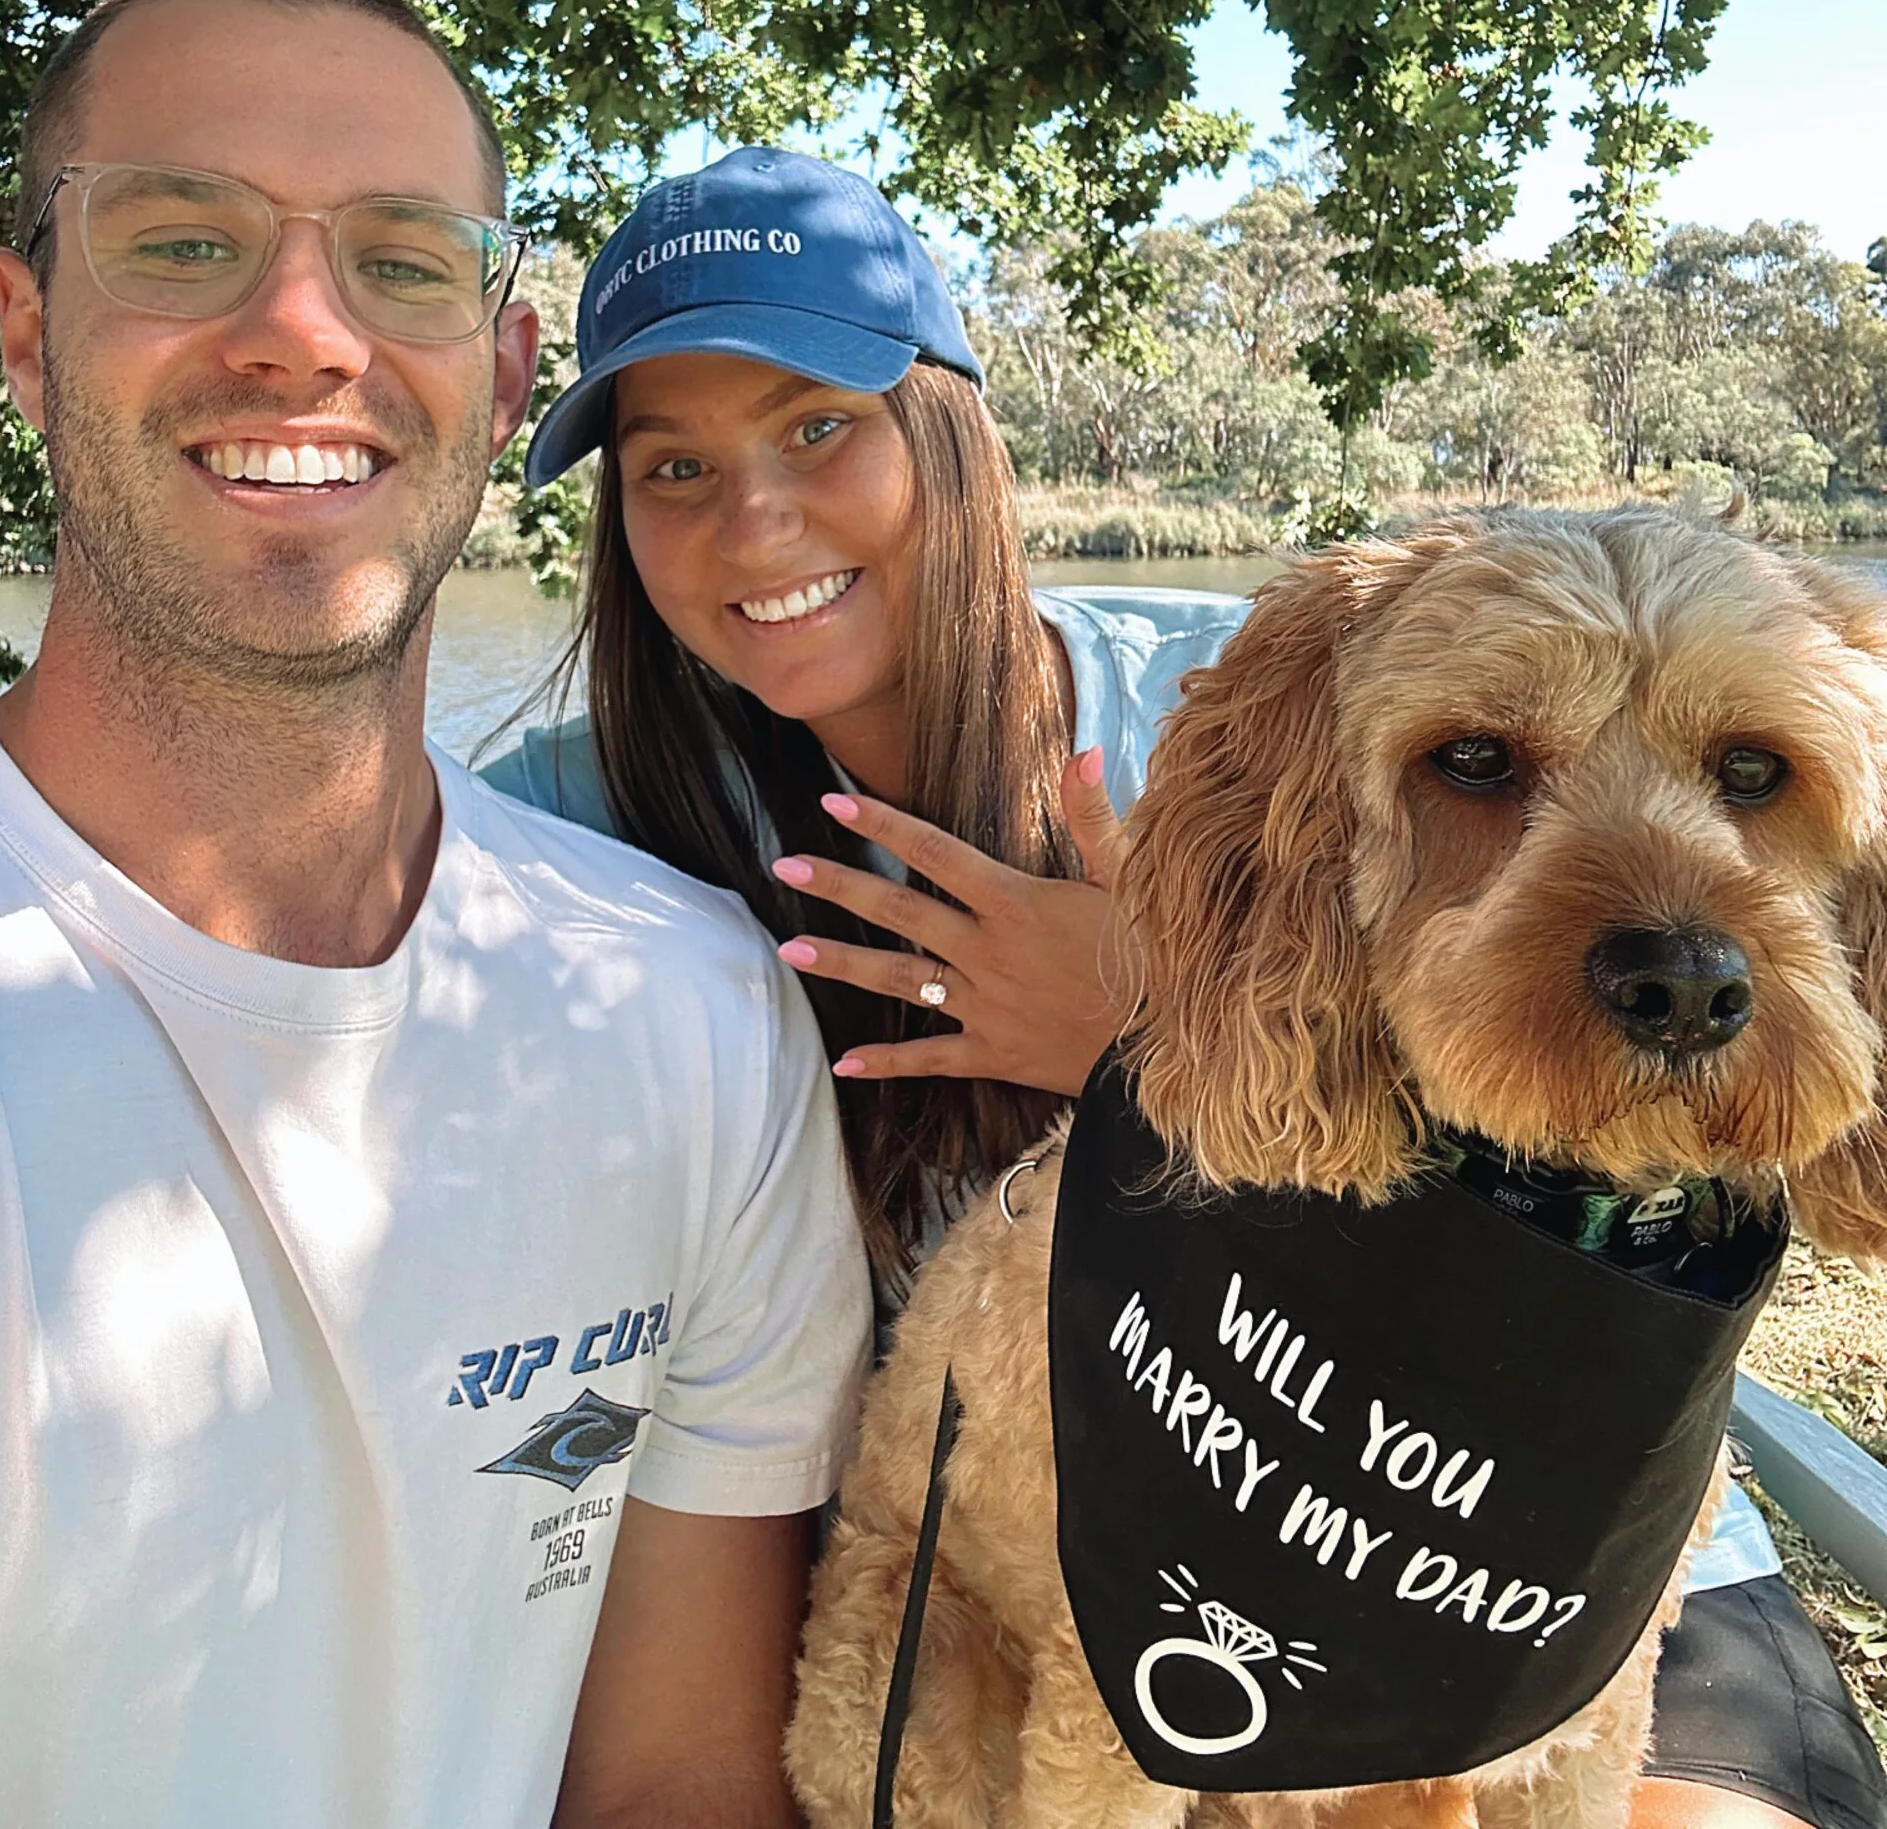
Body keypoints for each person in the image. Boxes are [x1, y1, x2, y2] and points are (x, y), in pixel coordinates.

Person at [488, 145, 1887, 1829]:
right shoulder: (562, 825)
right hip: (1098, 1567)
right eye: (671, 466)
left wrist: (1148, 1048)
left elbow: (1613, 1151)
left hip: (1581, 1531)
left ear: (955, 433)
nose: (756, 518)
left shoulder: (1237, 702)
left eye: (819, 427)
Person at [0, 0, 870, 1829]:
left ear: (506, 373)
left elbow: (677, 1779)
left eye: (401, 261)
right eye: (183, 239)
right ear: (28, 334)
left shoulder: (694, 1014)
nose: (304, 330)